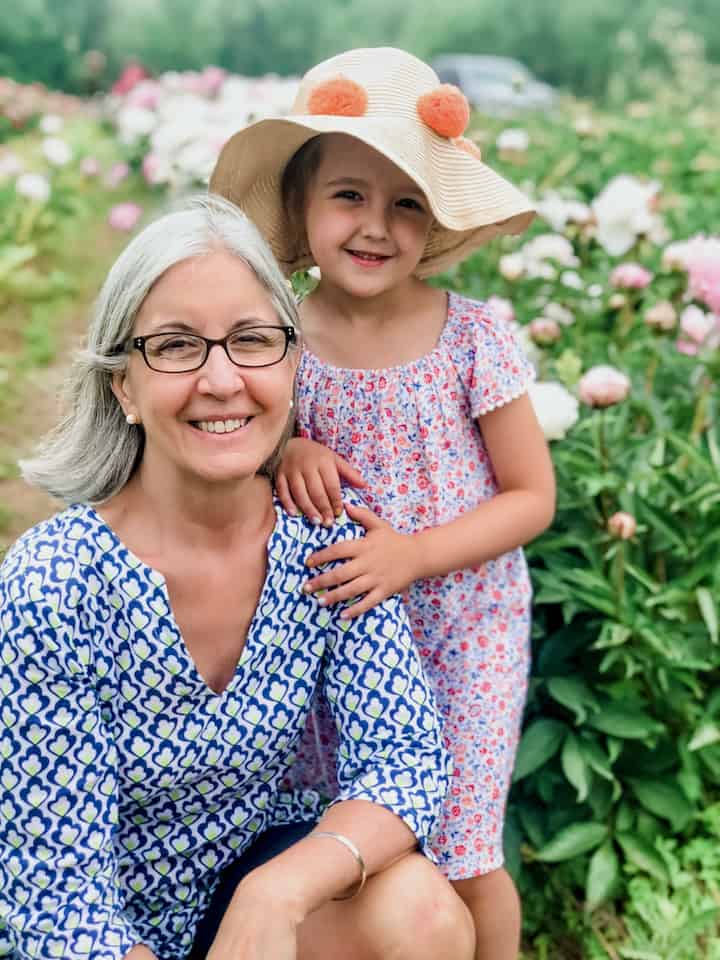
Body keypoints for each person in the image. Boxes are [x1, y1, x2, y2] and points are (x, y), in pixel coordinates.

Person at [0, 196, 476, 960]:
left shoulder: (323, 537)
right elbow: (58, 892)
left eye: (252, 341)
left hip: (249, 907)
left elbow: (405, 758)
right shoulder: (56, 585)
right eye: (178, 347)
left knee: (424, 914)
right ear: (123, 384)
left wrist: (274, 894)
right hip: (93, 935)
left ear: (291, 363)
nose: (221, 380)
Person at [210, 47, 556, 960]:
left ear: (437, 221)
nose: (377, 226)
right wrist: (289, 445)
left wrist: (413, 555)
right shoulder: (276, 338)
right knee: (363, 832)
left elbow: (532, 498)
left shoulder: (472, 336)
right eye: (349, 196)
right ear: (301, 209)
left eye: (407, 203)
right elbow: (230, 450)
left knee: (466, 847)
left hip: (465, 629)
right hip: (334, 635)